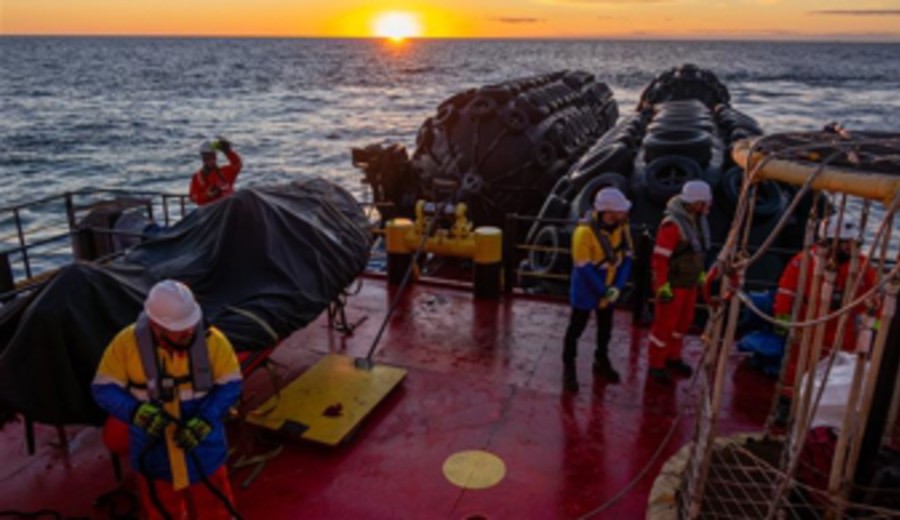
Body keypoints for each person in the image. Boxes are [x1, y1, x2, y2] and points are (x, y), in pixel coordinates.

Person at [92, 280, 243, 519]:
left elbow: (231, 385)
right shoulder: (126, 344)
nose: (189, 334)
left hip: (203, 449)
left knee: (215, 509)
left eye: (191, 328)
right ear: (156, 326)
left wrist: (207, 418)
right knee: (162, 511)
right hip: (154, 453)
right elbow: (104, 388)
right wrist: (135, 413)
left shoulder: (213, 341)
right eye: (181, 332)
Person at [772, 215, 877, 425]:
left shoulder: (862, 267)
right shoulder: (804, 262)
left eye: (853, 243)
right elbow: (786, 291)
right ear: (830, 241)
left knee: (838, 372)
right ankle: (787, 404)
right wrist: (782, 319)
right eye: (846, 243)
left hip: (842, 329)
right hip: (809, 323)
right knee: (797, 367)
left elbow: (874, 300)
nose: (850, 248)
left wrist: (873, 331)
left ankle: (826, 412)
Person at [562, 187, 633, 392]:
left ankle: (601, 360)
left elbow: (627, 258)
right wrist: (604, 290)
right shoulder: (583, 233)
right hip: (587, 288)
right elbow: (583, 267)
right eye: (620, 211)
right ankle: (569, 368)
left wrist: (616, 287)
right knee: (576, 328)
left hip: (609, 285)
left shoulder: (623, 228)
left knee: (605, 328)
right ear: (608, 212)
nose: (624, 214)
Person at [647, 180, 712, 385]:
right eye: (704, 203)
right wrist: (662, 286)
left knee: (683, 322)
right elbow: (660, 258)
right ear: (694, 202)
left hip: (689, 282)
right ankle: (656, 364)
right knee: (664, 325)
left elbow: (697, 252)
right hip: (674, 285)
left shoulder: (696, 221)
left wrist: (700, 274)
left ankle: (672, 357)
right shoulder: (672, 225)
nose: (707, 207)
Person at [189, 137, 242, 206]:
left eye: (211, 156)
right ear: (203, 158)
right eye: (206, 157)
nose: (209, 160)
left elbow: (237, 164)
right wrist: (207, 195)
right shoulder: (197, 178)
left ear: (215, 157)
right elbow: (193, 197)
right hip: (210, 213)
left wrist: (228, 152)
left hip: (228, 209)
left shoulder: (225, 172)